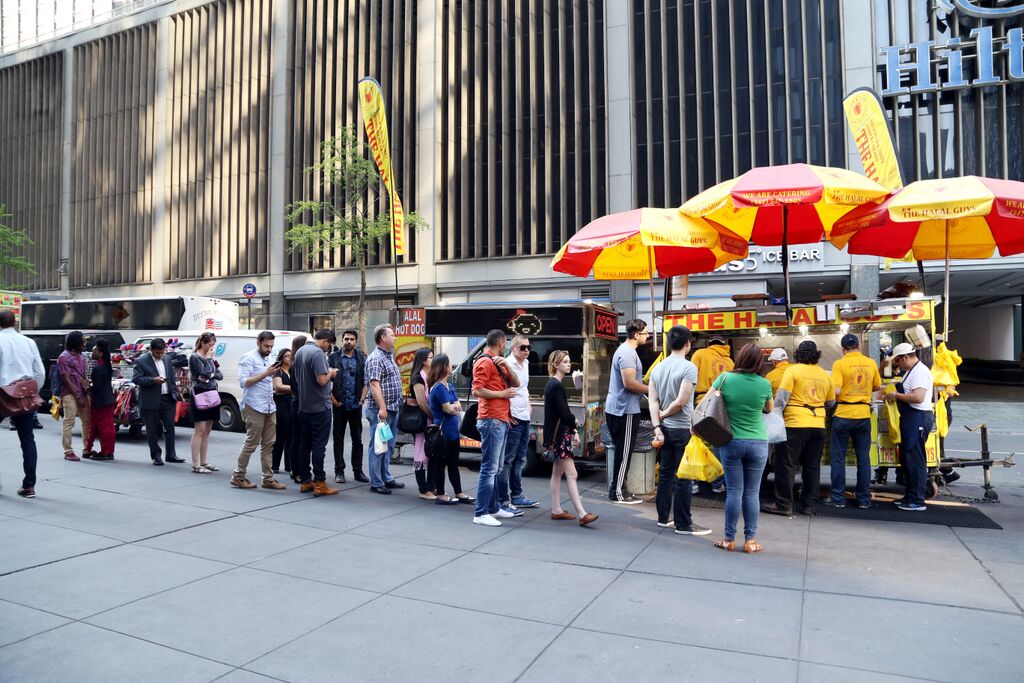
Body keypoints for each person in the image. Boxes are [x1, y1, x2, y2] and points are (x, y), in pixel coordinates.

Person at [710, 343, 774, 553]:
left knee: (734, 491)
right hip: (758, 442)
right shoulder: (764, 384)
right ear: (759, 363)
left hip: (731, 441)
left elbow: (708, 402)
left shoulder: (725, 379)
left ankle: (729, 539)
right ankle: (750, 541)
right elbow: (769, 409)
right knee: (752, 493)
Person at [648, 326, 710, 535]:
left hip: (663, 431)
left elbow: (653, 401)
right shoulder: (688, 367)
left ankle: (663, 518)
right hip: (682, 429)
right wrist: (664, 415)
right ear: (687, 344)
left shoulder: (657, 368)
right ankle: (683, 524)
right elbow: (682, 402)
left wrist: (657, 425)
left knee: (665, 475)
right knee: (683, 477)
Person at [763, 340, 835, 517]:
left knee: (786, 465)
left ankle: (783, 505)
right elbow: (831, 402)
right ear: (816, 354)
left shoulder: (793, 370)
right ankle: (809, 506)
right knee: (812, 467)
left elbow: (781, 399)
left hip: (794, 424)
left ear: (797, 354)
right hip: (818, 425)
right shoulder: (825, 375)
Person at [471, 329, 520, 526]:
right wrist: (502, 394)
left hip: (500, 419)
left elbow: (516, 384)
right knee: (490, 468)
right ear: (501, 343)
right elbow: (477, 390)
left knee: (496, 467)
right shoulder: (484, 362)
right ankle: (481, 512)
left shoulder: (498, 362)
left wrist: (507, 365)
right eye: (506, 343)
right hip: (492, 420)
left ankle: (491, 508)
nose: (506, 346)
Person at [826, 333, 881, 510]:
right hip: (863, 414)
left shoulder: (840, 364)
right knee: (863, 458)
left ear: (843, 349)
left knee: (838, 458)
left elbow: (835, 390)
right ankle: (864, 500)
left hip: (843, 413)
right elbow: (877, 386)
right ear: (858, 346)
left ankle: (838, 498)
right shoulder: (871, 363)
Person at [545, 350, 598, 527]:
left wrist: (572, 427)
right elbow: (565, 413)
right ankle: (582, 513)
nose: (569, 364)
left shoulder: (553, 384)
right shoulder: (556, 386)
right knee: (572, 474)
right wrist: (574, 423)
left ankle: (556, 510)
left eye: (569, 361)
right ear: (555, 365)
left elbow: (561, 413)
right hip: (560, 436)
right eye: (565, 361)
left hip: (557, 435)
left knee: (558, 472)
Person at [233, 331, 287, 490]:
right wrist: (266, 374)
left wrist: (272, 378)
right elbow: (243, 382)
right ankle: (238, 476)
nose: (269, 349)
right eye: (266, 346)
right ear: (258, 342)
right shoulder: (248, 358)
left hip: (269, 404)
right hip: (253, 405)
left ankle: (268, 478)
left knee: (269, 444)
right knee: (251, 442)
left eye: (271, 346)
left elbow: (269, 380)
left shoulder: (270, 357)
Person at [0, 308, 45, 497]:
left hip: (2, 393)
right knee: (27, 440)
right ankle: (29, 485)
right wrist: (34, 392)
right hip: (24, 394)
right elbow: (40, 372)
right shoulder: (29, 342)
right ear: (14, 322)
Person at [605, 319, 649, 504]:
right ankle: (617, 492)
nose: (648, 336)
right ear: (636, 334)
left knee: (622, 453)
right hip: (625, 410)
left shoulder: (625, 351)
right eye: (646, 333)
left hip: (618, 408)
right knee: (624, 454)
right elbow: (629, 383)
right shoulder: (627, 353)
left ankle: (619, 489)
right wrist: (652, 390)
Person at [887, 342, 935, 512]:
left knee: (915, 460)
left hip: (918, 418)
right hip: (910, 419)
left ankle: (917, 500)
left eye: (898, 361)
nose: (898, 365)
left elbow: (918, 397)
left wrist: (895, 395)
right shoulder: (911, 371)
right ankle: (910, 495)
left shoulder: (920, 372)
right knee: (908, 459)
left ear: (906, 357)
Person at [293, 329, 339, 497]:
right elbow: (322, 380)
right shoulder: (317, 353)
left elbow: (298, 379)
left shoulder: (300, 351)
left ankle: (306, 480)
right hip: (320, 407)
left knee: (304, 444)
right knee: (319, 446)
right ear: (325, 341)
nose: (328, 349)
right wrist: (331, 373)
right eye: (329, 345)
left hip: (304, 406)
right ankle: (320, 483)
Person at [496, 334, 538, 514]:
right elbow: (502, 391)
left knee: (520, 459)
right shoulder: (507, 364)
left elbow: (523, 388)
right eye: (523, 347)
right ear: (513, 349)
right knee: (507, 460)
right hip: (513, 418)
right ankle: (503, 500)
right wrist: (508, 413)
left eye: (528, 346)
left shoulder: (526, 364)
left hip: (524, 416)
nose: (527, 350)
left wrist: (528, 406)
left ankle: (517, 495)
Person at [364, 324, 405, 494]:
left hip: (393, 408)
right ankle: (376, 482)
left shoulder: (388, 356)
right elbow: (374, 385)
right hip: (381, 411)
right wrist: (382, 408)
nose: (395, 337)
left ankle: (386, 477)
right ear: (383, 338)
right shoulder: (376, 358)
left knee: (387, 445)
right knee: (379, 446)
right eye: (392, 335)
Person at [427, 354, 471, 505]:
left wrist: (453, 407)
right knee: (441, 463)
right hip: (442, 432)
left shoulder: (449, 385)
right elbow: (448, 409)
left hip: (452, 432)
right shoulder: (439, 387)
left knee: (453, 463)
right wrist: (452, 407)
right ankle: (441, 494)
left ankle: (459, 492)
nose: (452, 365)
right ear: (443, 366)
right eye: (449, 363)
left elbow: (457, 406)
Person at [133, 338, 184, 466]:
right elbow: (136, 379)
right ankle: (156, 455)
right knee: (152, 429)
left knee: (170, 428)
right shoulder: (141, 361)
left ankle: (171, 454)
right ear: (151, 350)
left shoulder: (167, 359)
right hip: (151, 399)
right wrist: (153, 380)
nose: (160, 355)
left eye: (162, 352)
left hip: (168, 398)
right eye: (157, 353)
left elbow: (171, 377)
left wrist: (176, 393)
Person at [329, 329, 367, 483]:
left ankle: (358, 471)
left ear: (356, 342)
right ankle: (339, 471)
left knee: (357, 439)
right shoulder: (333, 358)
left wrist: (362, 400)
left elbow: (366, 380)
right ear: (342, 340)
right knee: (338, 440)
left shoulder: (361, 358)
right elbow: (327, 382)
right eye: (346, 339)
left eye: (351, 339)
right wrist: (334, 401)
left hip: (355, 404)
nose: (349, 341)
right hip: (339, 404)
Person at [188, 332, 222, 474]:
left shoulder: (210, 357)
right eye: (209, 345)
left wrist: (210, 373)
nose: (211, 348)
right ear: (203, 343)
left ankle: (204, 461)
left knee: (207, 430)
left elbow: (219, 375)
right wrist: (208, 360)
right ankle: (196, 464)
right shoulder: (195, 357)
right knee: (200, 430)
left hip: (213, 393)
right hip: (200, 393)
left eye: (213, 345)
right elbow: (206, 373)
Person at [57, 331, 91, 461]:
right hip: (69, 393)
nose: (84, 344)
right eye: (82, 342)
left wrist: (86, 389)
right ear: (76, 343)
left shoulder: (82, 357)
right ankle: (68, 451)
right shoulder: (64, 357)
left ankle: (87, 448)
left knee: (87, 421)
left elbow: (82, 376)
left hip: (81, 392)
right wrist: (77, 396)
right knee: (69, 422)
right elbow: (66, 379)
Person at [408, 348, 436, 499]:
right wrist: (433, 415)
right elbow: (421, 402)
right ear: (424, 360)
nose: (433, 360)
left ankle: (431, 486)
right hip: (422, 421)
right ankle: (423, 489)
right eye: (431, 358)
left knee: (431, 452)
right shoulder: (418, 378)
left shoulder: (430, 376)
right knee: (421, 453)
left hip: (430, 421)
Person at [83, 339, 116, 461]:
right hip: (108, 400)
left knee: (100, 427)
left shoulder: (98, 368)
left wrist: (87, 387)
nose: (92, 353)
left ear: (101, 353)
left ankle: (103, 451)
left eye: (94, 350)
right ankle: (108, 451)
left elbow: (96, 388)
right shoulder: (107, 366)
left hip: (99, 402)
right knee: (108, 426)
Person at [285, 335, 308, 481]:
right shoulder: (297, 364)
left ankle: (297, 469)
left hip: (298, 402)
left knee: (299, 438)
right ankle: (296, 470)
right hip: (298, 403)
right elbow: (297, 387)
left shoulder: (296, 362)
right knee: (298, 439)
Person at [271, 348, 294, 475]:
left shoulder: (293, 370)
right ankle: (275, 465)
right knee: (280, 435)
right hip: (281, 405)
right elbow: (278, 387)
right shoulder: (277, 371)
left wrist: (288, 389)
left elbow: (284, 388)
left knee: (291, 436)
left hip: (292, 404)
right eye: (286, 356)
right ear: (281, 358)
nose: (289, 358)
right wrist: (296, 388)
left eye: (291, 356)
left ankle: (289, 465)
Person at [691, 336, 734, 402]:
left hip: (702, 401)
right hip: (724, 403)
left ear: (709, 344)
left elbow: (690, 378)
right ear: (723, 345)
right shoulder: (730, 362)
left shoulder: (699, 354)